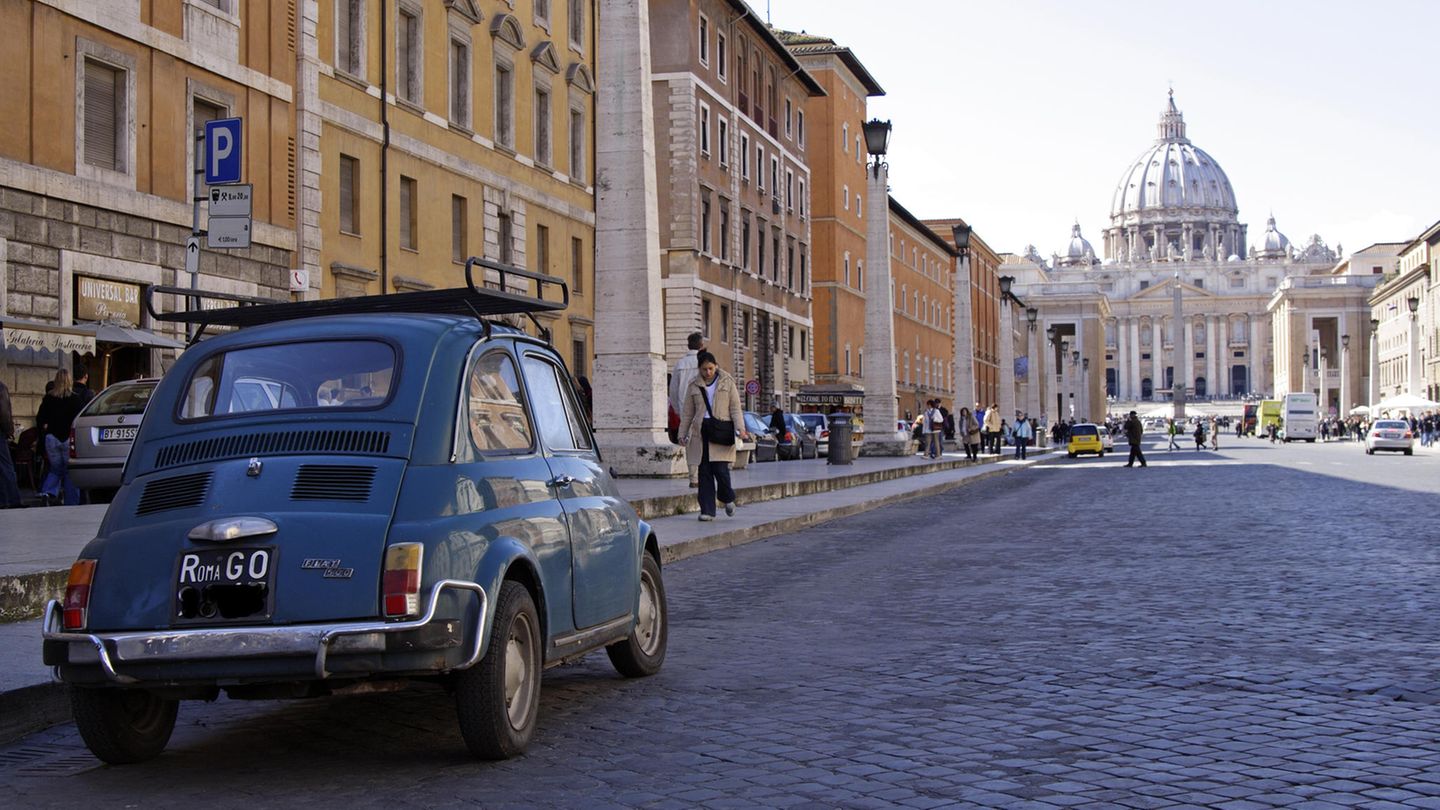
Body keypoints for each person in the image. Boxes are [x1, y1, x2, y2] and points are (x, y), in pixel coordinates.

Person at [678, 352, 749, 522]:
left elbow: (735, 408)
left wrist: (741, 429)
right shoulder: (693, 385)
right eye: (704, 369)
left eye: (710, 368)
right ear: (699, 369)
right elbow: (688, 412)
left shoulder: (727, 382)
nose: (708, 372)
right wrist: (682, 433)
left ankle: (727, 498)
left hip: (721, 430)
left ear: (716, 366)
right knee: (704, 472)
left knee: (721, 470)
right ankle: (707, 510)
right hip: (701, 432)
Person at [36, 369, 83, 505]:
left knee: (55, 469)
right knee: (69, 471)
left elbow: (40, 418)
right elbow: (79, 419)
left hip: (52, 438)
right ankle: (71, 501)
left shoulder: (48, 398)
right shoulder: (75, 399)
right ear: (70, 381)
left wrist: (44, 431)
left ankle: (47, 492)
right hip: (68, 438)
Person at [669, 332, 706, 486]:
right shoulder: (704, 363)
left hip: (685, 410)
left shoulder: (679, 364)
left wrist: (679, 410)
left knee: (691, 444)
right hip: (703, 409)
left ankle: (694, 478)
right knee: (705, 442)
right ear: (701, 345)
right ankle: (705, 474)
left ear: (688, 345)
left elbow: (673, 391)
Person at [0, 378, 22, 508]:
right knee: (7, 467)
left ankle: (3, 500)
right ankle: (13, 499)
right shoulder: (1, 388)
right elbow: (4, 413)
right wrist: (9, 430)